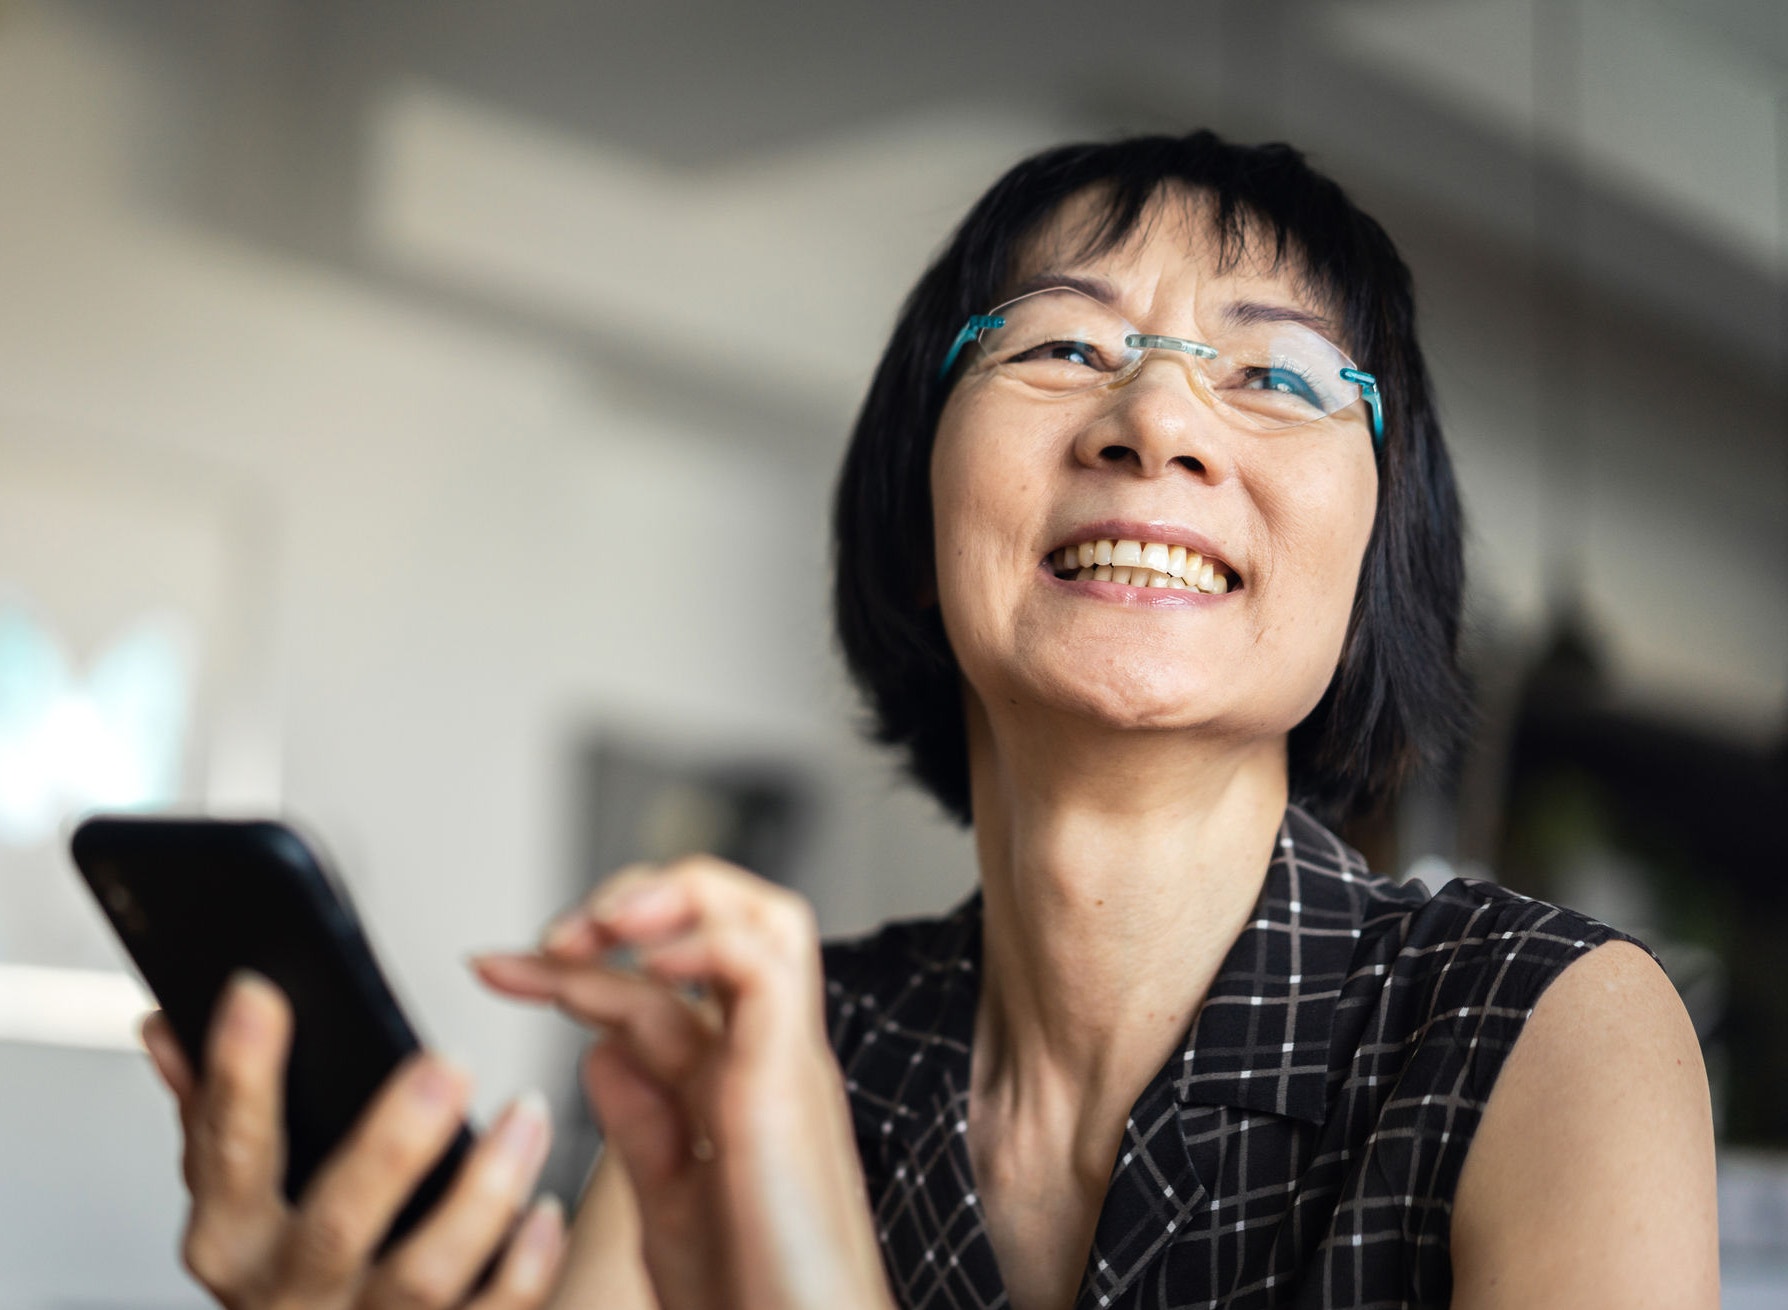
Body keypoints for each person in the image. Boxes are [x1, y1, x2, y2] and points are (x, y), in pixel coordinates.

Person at [139, 130, 1720, 1310]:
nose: (1157, 418)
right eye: (1063, 345)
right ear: (916, 513)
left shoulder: (1549, 1030)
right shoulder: (753, 1049)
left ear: (1378, 559)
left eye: (1280, 375)